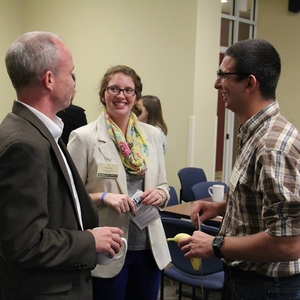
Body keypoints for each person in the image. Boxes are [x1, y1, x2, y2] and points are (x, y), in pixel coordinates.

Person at [0, 31, 124, 300]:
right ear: (49, 79)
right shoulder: (24, 144)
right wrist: (89, 242)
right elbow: (24, 244)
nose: (74, 83)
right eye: (71, 74)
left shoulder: (40, 131)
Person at [179, 39, 300, 299]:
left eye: (224, 75)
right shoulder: (254, 133)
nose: (216, 83)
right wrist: (222, 207)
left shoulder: (272, 146)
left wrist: (216, 244)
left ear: (249, 83)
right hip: (247, 281)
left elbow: (288, 244)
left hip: (266, 287)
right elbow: (264, 201)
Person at [67, 65, 171, 300]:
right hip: (109, 248)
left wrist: (161, 195)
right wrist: (104, 197)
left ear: (136, 97)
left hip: (149, 248)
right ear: (103, 94)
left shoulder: (151, 136)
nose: (121, 96)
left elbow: (164, 185)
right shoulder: (84, 137)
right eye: (114, 89)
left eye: (128, 90)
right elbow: (69, 196)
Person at [57, 74, 88, 145]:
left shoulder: (48, 112)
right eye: (73, 87)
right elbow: (84, 142)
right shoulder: (77, 113)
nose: (75, 91)